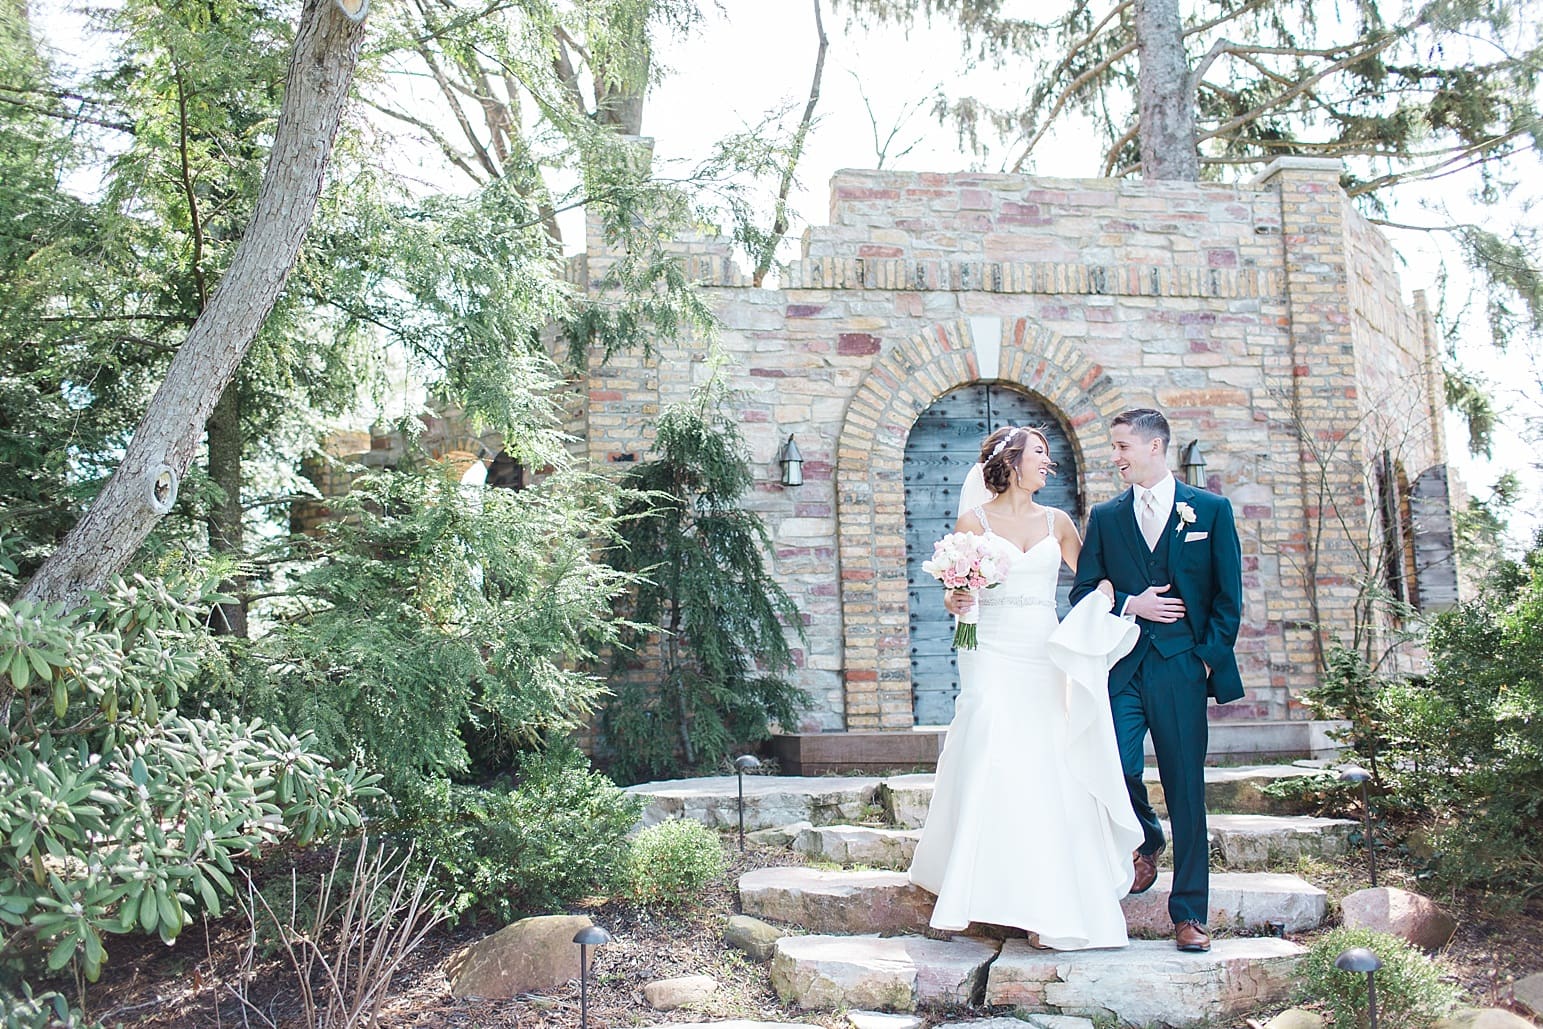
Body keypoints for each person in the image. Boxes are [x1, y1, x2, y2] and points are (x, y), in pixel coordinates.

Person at [907, 425, 1144, 950]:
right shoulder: (975, 520)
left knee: (1044, 757)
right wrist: (957, 602)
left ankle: (1046, 900)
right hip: (988, 645)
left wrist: (1111, 601)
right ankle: (973, 884)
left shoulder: (1059, 522)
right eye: (1039, 453)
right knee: (990, 732)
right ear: (1012, 460)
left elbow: (1091, 580)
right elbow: (956, 593)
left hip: (1042, 648)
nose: (1048, 463)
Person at [1069, 408, 1244, 953]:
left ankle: (1190, 912)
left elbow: (1227, 597)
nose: (1116, 456)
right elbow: (1082, 592)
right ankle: (1147, 836)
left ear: (1155, 447)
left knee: (1186, 789)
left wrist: (1204, 660)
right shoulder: (1107, 516)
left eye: (1123, 446)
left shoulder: (1210, 511)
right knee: (1116, 764)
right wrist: (1128, 602)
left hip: (1181, 668)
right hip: (1122, 666)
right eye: (1115, 447)